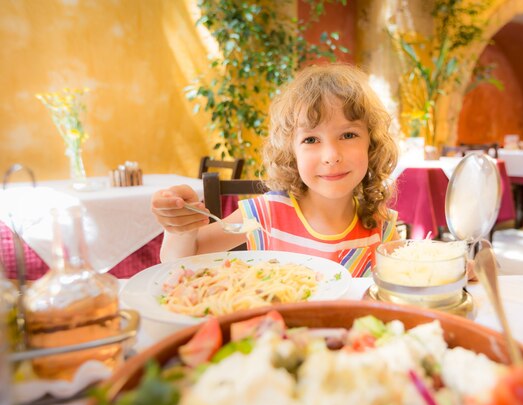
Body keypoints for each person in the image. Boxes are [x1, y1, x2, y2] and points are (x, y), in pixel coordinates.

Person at [151, 64, 399, 277]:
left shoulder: (382, 226)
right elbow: (180, 259)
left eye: (348, 134)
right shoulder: (264, 215)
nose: (331, 156)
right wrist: (180, 227)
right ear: (291, 151)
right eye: (311, 140)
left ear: (371, 143)